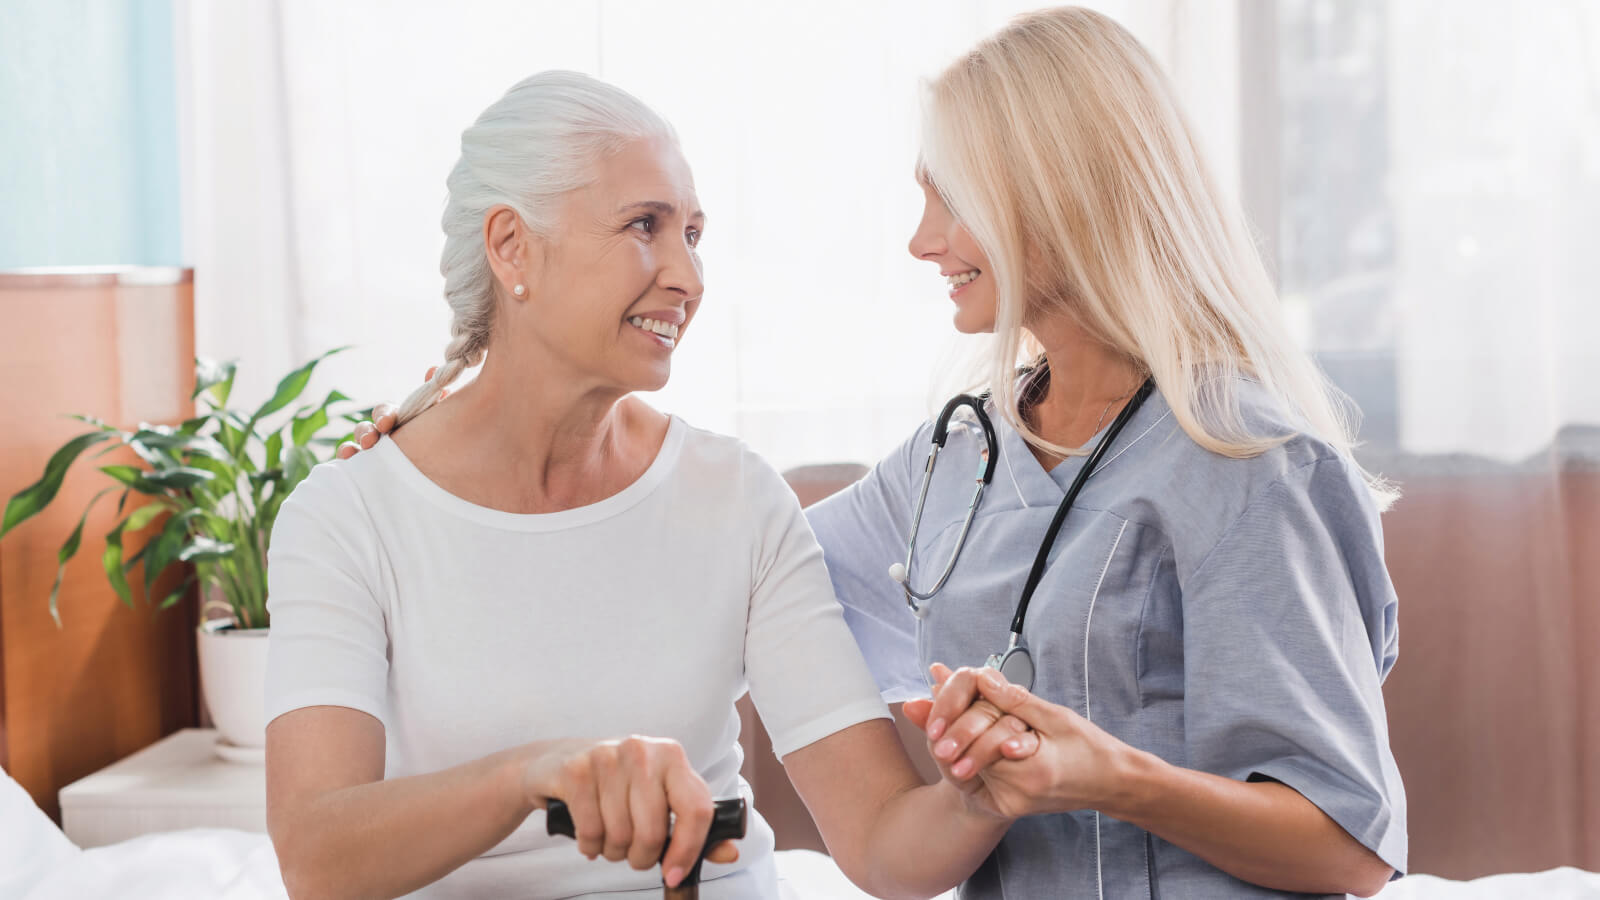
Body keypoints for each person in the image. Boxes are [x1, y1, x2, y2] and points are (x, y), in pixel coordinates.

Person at [349, 7, 1407, 898]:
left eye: (947, 197)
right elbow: (726, 571)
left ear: (1057, 197)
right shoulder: (966, 450)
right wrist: (451, 475)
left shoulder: (1249, 461)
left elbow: (1350, 849)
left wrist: (1109, 777)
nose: (920, 240)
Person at [265, 71, 1012, 900]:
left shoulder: (738, 499)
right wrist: (532, 775)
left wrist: (981, 797)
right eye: (644, 226)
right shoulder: (349, 516)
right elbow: (315, 857)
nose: (688, 277)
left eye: (694, 234)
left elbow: (879, 846)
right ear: (512, 246)